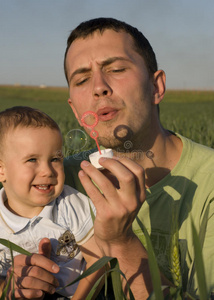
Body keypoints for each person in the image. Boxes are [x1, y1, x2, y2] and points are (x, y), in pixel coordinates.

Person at [62, 17, 214, 299]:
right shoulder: (55, 181)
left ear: (156, 87)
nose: (98, 87)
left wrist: (121, 242)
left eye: (117, 69)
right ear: (75, 111)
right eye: (82, 79)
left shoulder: (209, 185)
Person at [0, 106, 104, 299]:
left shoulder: (69, 203)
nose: (48, 171)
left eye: (55, 159)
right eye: (32, 159)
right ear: (1, 169)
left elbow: (99, 261)